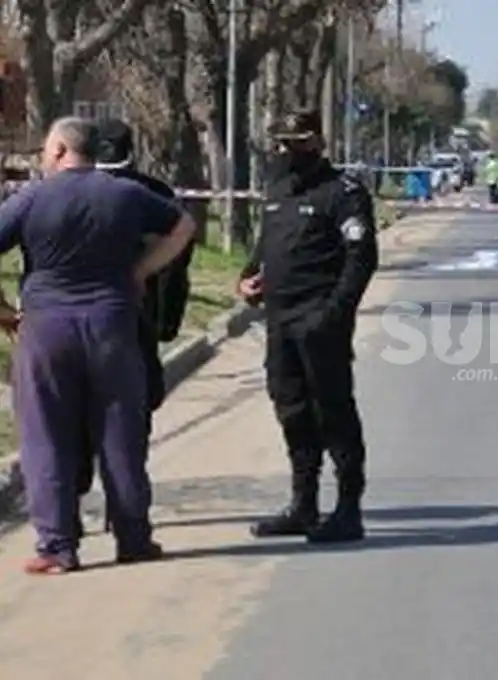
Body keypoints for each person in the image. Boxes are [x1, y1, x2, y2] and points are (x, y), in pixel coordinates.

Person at [0, 117, 196, 574]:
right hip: (112, 324)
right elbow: (184, 226)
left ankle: (57, 546)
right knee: (120, 434)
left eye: (46, 150)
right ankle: (133, 537)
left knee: (47, 437)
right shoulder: (125, 194)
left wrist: (4, 311)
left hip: (47, 328)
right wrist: (142, 270)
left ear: (60, 150)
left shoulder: (31, 198)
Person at [238, 109, 377, 544]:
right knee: (292, 409)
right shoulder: (277, 189)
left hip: (320, 321)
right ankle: (303, 504)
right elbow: (266, 246)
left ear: (317, 143)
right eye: (280, 143)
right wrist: (249, 277)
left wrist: (335, 313)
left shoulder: (343, 192)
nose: (285, 151)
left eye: (294, 144)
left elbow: (361, 259)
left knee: (333, 411)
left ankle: (348, 508)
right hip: (279, 321)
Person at [67, 118, 196, 536]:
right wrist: (166, 321)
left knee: (75, 418)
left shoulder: (62, 192)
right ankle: (123, 511)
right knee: (131, 418)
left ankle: (70, 508)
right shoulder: (153, 195)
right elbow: (178, 262)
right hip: (134, 320)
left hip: (71, 321)